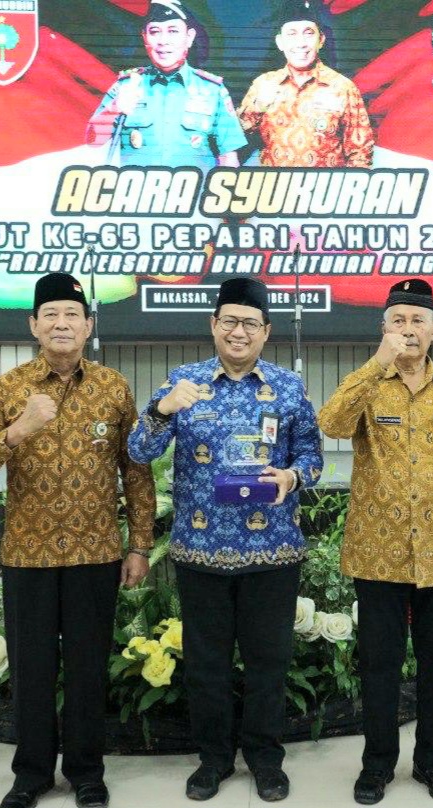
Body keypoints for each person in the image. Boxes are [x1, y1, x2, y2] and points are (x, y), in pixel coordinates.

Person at [0, 274, 156, 808]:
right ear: (33, 325)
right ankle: (31, 774)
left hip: (96, 553)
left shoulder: (113, 387)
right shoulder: (10, 387)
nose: (61, 324)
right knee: (31, 670)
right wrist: (17, 430)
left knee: (89, 669)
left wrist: (139, 545)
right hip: (29, 554)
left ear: (88, 325)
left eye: (72, 314)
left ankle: (87, 772)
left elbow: (136, 471)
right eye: (51, 315)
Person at [128, 277, 322, 803]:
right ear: (214, 325)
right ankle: (213, 760)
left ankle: (265, 759)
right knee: (207, 666)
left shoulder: (287, 386)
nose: (240, 332)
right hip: (201, 550)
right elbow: (139, 452)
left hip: (272, 550)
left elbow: (311, 455)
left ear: (266, 331)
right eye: (230, 321)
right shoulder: (183, 382)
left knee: (269, 664)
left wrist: (292, 476)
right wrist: (162, 410)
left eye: (250, 323)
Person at [319, 279, 433, 806]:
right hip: (378, 554)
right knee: (379, 664)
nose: (408, 329)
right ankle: (376, 767)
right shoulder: (367, 384)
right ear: (384, 329)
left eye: (418, 320)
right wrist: (378, 363)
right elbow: (331, 423)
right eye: (398, 320)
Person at [85, 0, 246, 169]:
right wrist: (114, 108)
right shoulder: (127, 85)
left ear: (189, 37)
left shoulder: (212, 90)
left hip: (193, 186)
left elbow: (228, 157)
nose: (163, 41)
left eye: (173, 31)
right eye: (155, 32)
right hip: (135, 185)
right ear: (144, 37)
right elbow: (93, 140)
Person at [237, 0, 374, 167]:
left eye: (308, 33)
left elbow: (360, 154)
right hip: (274, 183)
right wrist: (257, 107)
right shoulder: (263, 84)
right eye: (291, 34)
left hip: (325, 183)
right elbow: (232, 143)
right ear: (280, 42)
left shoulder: (342, 87)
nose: (301, 43)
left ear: (321, 40)